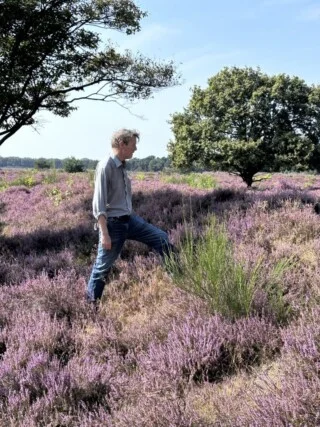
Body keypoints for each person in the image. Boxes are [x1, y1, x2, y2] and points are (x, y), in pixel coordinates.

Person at [86, 128, 175, 303]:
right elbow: (99, 204)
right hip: (113, 226)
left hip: (130, 220)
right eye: (133, 145)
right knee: (102, 269)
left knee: (162, 239)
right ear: (122, 144)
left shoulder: (122, 166)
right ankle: (90, 307)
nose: (135, 149)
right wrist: (104, 234)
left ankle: (177, 279)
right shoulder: (106, 166)